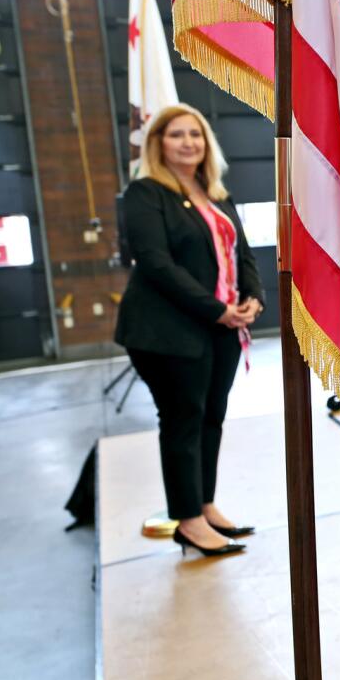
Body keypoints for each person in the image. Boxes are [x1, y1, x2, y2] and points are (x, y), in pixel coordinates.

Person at [114, 103, 262, 557]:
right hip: (168, 333)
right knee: (182, 422)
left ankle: (206, 504)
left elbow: (243, 249)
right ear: (159, 143)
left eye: (195, 135)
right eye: (177, 135)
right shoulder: (145, 194)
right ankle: (189, 521)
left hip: (221, 329)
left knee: (211, 419)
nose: (189, 143)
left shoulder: (214, 190)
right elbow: (156, 265)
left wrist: (251, 295)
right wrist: (216, 309)